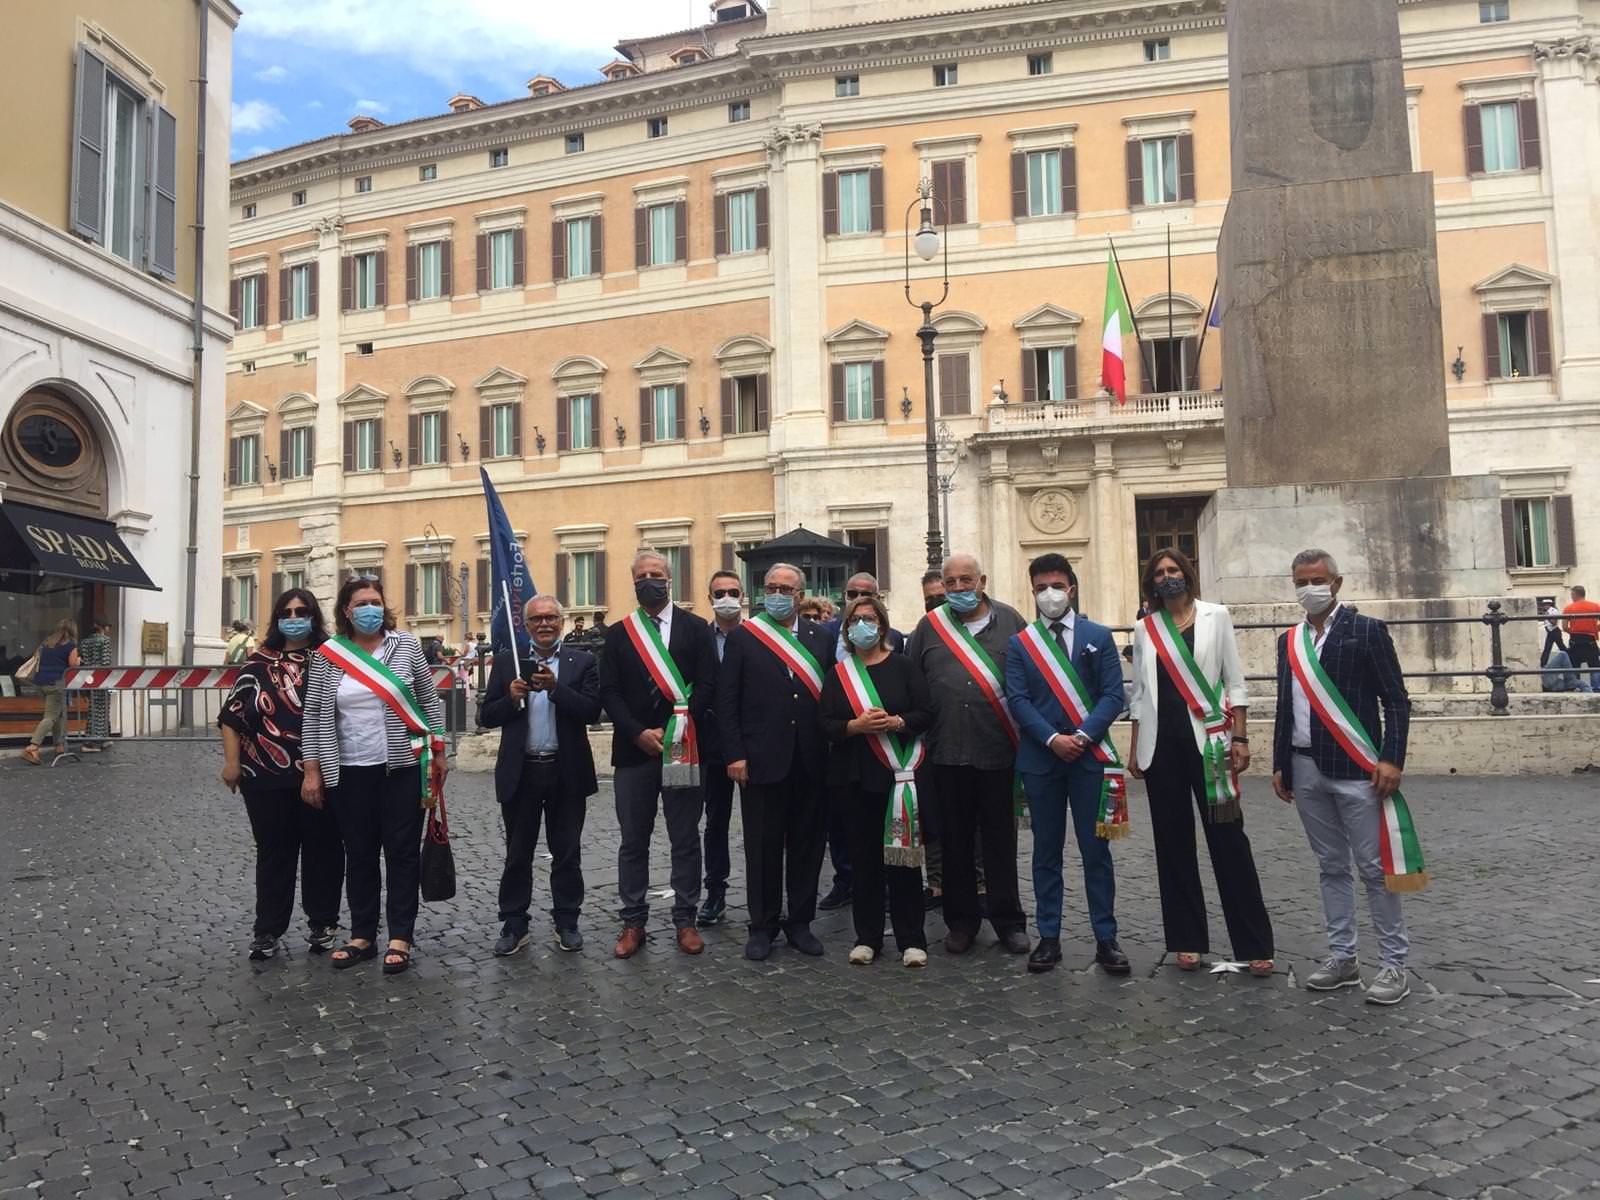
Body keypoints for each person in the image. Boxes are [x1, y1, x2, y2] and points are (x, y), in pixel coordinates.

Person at [1272, 549, 1415, 1006]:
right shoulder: (1288, 641)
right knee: (1330, 867)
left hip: (1358, 768)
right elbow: (1283, 707)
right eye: (1301, 581)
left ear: (1336, 582)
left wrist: (1392, 759)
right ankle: (1343, 957)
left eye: (1317, 579)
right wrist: (1280, 763)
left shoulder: (1367, 631)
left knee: (1375, 870)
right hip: (1305, 766)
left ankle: (1394, 963)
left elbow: (1396, 701)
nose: (1309, 588)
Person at [1128, 548, 1273, 976]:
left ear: (1188, 573)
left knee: (1229, 841)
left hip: (1210, 745)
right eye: (1159, 573)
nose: (1167, 577)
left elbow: (1235, 680)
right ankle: (1186, 939)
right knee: (1173, 846)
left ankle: (1254, 943)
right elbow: (1138, 694)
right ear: (1151, 582)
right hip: (1161, 749)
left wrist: (1241, 738)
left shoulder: (1216, 616)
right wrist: (1136, 747)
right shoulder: (1144, 629)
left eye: (1174, 570)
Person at [302, 577, 447, 975]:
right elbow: (313, 714)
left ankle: (401, 935)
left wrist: (439, 751)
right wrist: (312, 768)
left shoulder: (406, 647)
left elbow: (428, 699)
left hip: (401, 767)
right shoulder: (328, 655)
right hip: (347, 768)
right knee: (359, 853)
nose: (371, 609)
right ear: (346, 611)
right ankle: (362, 935)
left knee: (401, 852)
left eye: (376, 602)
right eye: (362, 603)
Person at [1005, 554, 1129, 974]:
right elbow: (1017, 699)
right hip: (1042, 759)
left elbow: (1114, 695)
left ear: (1071, 588)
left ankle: (1106, 937)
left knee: (1096, 852)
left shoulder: (1098, 636)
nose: (1049, 594)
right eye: (1040, 588)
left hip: (1089, 757)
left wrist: (1081, 736)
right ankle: (1049, 936)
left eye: (1056, 586)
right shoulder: (1023, 643)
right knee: (1045, 852)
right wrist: (1052, 738)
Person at [911, 553, 1030, 956]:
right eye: (951, 582)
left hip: (998, 751)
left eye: (966, 580)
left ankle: (1009, 921)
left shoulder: (1012, 621)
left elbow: (1032, 678)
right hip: (946, 753)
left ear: (983, 580)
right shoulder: (929, 628)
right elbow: (913, 684)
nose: (959, 588)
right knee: (955, 844)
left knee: (1000, 843)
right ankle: (961, 922)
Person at [599, 550, 716, 958]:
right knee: (633, 840)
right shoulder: (618, 633)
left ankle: (686, 919)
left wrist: (675, 730)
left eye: (657, 574)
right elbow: (609, 692)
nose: (650, 580)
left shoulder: (696, 628)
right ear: (633, 582)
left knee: (685, 836)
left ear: (671, 580)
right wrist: (636, 733)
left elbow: (707, 684)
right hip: (634, 753)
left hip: (683, 748)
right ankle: (633, 921)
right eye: (642, 575)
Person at [718, 562, 836, 960]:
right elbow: (727, 701)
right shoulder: (744, 637)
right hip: (761, 758)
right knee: (763, 847)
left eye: (786, 589)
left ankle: (800, 923)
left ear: (800, 596)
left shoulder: (821, 638)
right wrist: (734, 754)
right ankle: (762, 925)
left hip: (810, 759)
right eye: (771, 587)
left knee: (807, 845)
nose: (778, 595)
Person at [219, 588, 344, 960]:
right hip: (265, 775)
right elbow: (232, 716)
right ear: (277, 618)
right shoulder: (258, 662)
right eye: (286, 611)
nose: (294, 617)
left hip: (322, 769)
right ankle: (268, 929)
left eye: (301, 611)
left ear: (314, 615)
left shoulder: (332, 657)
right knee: (274, 853)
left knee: (323, 849)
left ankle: (323, 923)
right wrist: (230, 764)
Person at [479, 594, 602, 955]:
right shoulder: (507, 663)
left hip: (566, 771)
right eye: (537, 619)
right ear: (527, 625)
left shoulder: (582, 661)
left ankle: (567, 920)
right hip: (522, 772)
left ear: (561, 622)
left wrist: (555, 689)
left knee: (566, 853)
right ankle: (514, 923)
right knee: (518, 853)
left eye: (551, 617)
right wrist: (510, 698)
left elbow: (592, 712)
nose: (544, 624)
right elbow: (486, 717)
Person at [820, 595, 934, 968]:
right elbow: (825, 724)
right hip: (854, 778)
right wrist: (855, 726)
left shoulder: (903, 667)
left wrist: (896, 722)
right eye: (854, 620)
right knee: (864, 860)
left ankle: (912, 939)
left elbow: (926, 713)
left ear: (882, 626)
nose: (861, 625)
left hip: (897, 778)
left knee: (904, 860)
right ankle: (866, 937)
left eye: (868, 618)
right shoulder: (840, 673)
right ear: (847, 628)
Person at [816, 572, 907, 912]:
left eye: (865, 594)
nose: (857, 598)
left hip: (885, 752)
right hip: (841, 743)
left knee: (882, 818)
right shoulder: (823, 636)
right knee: (839, 821)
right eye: (851, 593)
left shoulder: (896, 639)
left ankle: (881, 881)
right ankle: (845, 880)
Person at [698, 569, 745, 928]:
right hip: (710, 744)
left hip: (753, 744)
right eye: (719, 593)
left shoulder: (759, 636)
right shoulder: (698, 637)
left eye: (732, 591)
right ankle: (715, 891)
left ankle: (768, 894)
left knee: (764, 823)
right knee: (715, 822)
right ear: (710, 598)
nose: (726, 598)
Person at [21, 619, 79, 766]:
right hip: (57, 684)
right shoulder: (71, 646)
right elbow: (72, 665)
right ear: (73, 630)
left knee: (58, 715)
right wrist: (78, 661)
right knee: (51, 717)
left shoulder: (47, 643)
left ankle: (59, 746)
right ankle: (33, 747)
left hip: (41, 683)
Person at [78, 618, 113, 751]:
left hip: (88, 678)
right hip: (102, 678)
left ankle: (102, 738)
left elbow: (83, 661)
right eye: (108, 625)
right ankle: (92, 741)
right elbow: (106, 662)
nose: (109, 628)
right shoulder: (105, 641)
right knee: (101, 710)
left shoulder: (85, 642)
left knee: (94, 709)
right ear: (102, 627)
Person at [1562, 585, 1600, 692]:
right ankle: (1596, 688)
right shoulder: (1595, 606)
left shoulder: (1569, 608)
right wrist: (1595, 628)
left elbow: (1564, 627)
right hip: (1590, 639)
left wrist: (1573, 630)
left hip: (1575, 640)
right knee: (1595, 665)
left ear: (1575, 594)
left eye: (1571, 594)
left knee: (1574, 665)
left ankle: (1576, 687)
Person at [1538, 601, 1566, 669]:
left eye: (1545, 605)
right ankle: (1542, 664)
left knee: (1561, 647)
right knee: (1547, 648)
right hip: (1550, 632)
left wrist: (1547, 616)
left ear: (1549, 605)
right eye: (1543, 605)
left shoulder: (1553, 611)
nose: (1544, 606)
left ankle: (1570, 658)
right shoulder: (1547, 612)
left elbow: (1554, 622)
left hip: (1555, 632)